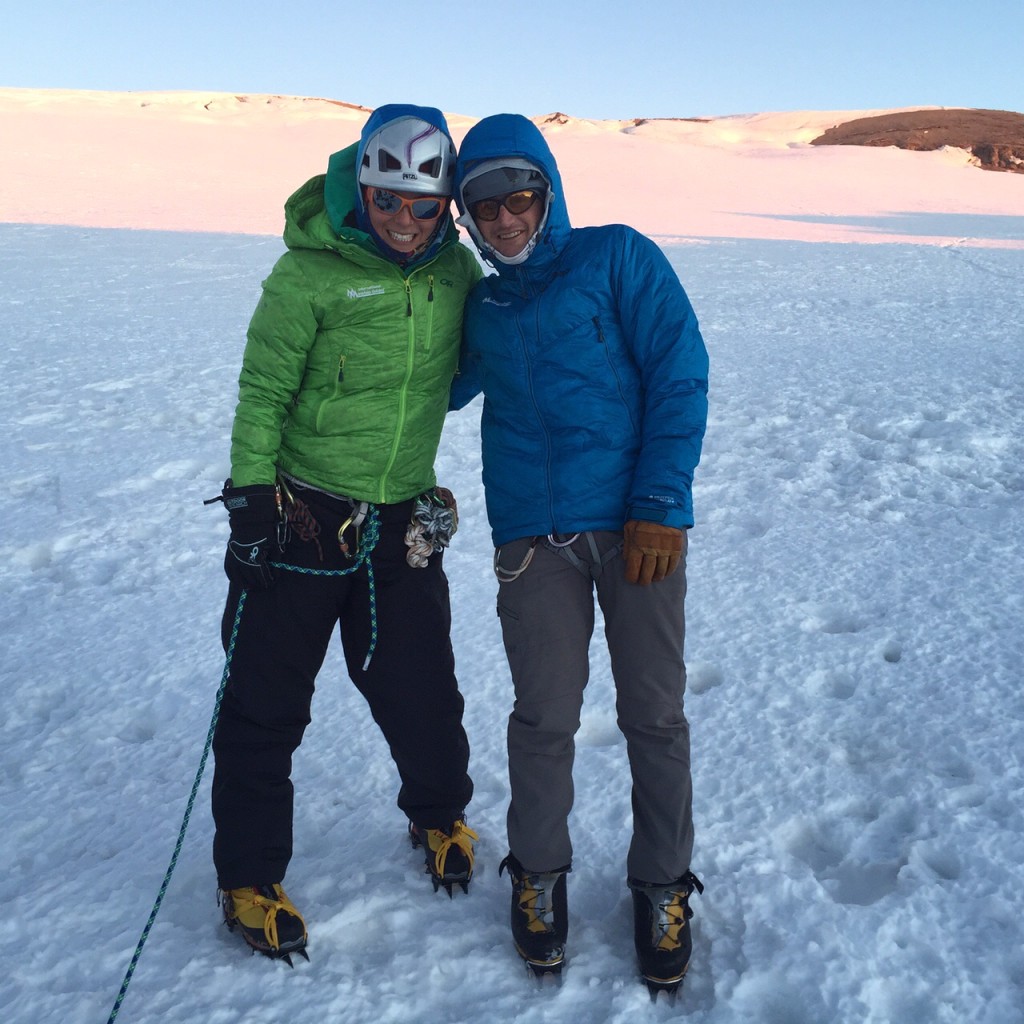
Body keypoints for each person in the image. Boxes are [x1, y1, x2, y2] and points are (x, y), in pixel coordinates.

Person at [208, 104, 481, 964]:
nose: (404, 221)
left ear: (447, 207)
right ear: (360, 187)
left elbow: (486, 354)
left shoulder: (457, 275)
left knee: (423, 690)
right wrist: (250, 502)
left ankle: (439, 816)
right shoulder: (307, 276)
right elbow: (262, 394)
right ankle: (249, 875)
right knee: (265, 704)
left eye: (423, 205)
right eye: (387, 199)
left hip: (400, 522)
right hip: (301, 520)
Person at [449, 114, 709, 994]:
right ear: (467, 217)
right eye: (485, 206)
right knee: (544, 717)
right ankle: (537, 874)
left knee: (654, 713)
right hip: (532, 536)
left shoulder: (618, 257)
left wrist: (662, 501)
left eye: (520, 197)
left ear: (547, 192)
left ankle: (663, 883)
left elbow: (679, 366)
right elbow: (427, 382)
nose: (507, 219)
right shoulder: (481, 304)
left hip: (637, 525)